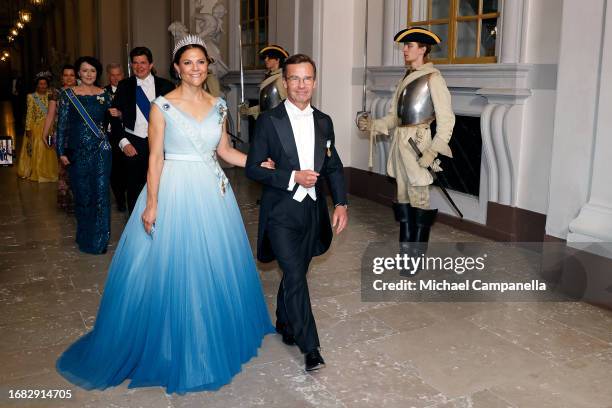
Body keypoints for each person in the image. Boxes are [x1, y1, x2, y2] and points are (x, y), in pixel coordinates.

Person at [56, 35, 276, 394]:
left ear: (208, 67)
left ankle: (210, 332)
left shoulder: (219, 104)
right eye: (187, 63)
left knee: (213, 264)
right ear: (176, 68)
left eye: (201, 63)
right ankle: (175, 342)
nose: (195, 69)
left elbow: (224, 150)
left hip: (213, 191)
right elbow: (155, 157)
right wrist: (152, 203)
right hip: (175, 188)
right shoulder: (162, 106)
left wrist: (257, 163)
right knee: (176, 266)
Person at [246, 53, 348, 372]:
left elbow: (333, 165)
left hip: (313, 211)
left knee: (296, 275)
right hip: (280, 213)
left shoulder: (324, 121)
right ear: (285, 81)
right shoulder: (269, 120)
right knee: (293, 275)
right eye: (294, 78)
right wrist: (291, 176)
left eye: (307, 79)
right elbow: (252, 168)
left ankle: (285, 322)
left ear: (314, 82)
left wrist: (341, 203)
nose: (301, 85)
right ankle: (311, 347)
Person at [357, 27, 455, 253]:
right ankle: (405, 250)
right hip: (400, 142)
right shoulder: (406, 77)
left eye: (409, 46)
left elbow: (447, 119)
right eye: (404, 46)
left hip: (419, 142)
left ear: (423, 49)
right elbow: (394, 117)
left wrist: (432, 151)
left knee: (419, 196)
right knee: (402, 195)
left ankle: (417, 255)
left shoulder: (433, 78)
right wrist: (374, 125)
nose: (404, 50)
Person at [56, 56, 112, 254]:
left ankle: (100, 240)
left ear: (97, 73)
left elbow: (111, 123)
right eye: (85, 70)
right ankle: (85, 235)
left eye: (93, 71)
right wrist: (60, 151)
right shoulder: (68, 95)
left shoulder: (105, 94)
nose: (89, 74)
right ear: (79, 73)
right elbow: (62, 124)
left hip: (101, 151)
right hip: (77, 152)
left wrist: (117, 116)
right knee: (83, 194)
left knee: (101, 194)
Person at [110, 47, 175, 213]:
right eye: (135, 63)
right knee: (134, 190)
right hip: (134, 143)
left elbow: (175, 117)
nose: (139, 67)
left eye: (143, 63)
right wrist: (124, 143)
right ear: (131, 65)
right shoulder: (124, 86)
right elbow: (114, 117)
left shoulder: (166, 85)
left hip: (160, 143)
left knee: (162, 187)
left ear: (151, 64)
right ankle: (135, 228)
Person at [42, 64, 77, 211]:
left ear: (76, 77)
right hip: (61, 136)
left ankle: (80, 198)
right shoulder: (55, 93)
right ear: (62, 77)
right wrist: (45, 133)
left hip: (79, 135)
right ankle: (66, 201)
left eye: (72, 75)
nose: (69, 78)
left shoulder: (82, 91)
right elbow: (50, 114)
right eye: (66, 75)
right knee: (63, 168)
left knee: (78, 167)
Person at [17, 75, 58, 182]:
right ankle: (37, 171)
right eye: (41, 84)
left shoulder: (50, 95)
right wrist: (28, 128)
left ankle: (48, 171)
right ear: (37, 85)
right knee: (38, 149)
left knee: (49, 149)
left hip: (48, 127)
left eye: (45, 84)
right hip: (36, 127)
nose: (43, 86)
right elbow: (29, 114)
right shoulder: (31, 97)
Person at [239, 45, 289, 119]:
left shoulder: (280, 78)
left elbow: (286, 103)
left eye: (269, 57)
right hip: (267, 119)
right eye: (265, 57)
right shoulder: (270, 77)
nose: (266, 60)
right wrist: (248, 111)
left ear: (277, 60)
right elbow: (265, 106)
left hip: (275, 120)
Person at [104, 63, 128, 212]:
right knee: (115, 170)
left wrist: (121, 115)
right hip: (110, 136)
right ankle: (120, 200)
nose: (115, 78)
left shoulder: (129, 89)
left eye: (118, 74)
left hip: (128, 134)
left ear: (123, 75)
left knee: (128, 167)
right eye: (112, 75)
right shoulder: (102, 92)